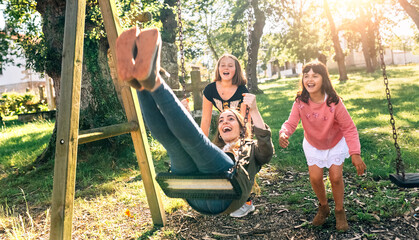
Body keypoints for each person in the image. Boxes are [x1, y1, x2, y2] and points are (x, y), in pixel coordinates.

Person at [115, 27, 273, 215]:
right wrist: (185, 116)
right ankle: (139, 83)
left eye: (231, 118)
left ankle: (152, 79)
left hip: (227, 196)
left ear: (241, 127)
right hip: (196, 195)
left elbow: (267, 147)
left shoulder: (252, 149)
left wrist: (253, 110)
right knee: (173, 144)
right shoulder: (217, 147)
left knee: (195, 143)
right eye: (221, 120)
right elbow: (195, 137)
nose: (224, 123)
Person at [278, 61, 366, 231]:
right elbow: (291, 122)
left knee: (335, 177)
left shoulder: (333, 102)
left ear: (323, 79)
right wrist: (284, 133)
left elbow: (349, 127)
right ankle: (324, 206)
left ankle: (340, 210)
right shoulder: (300, 102)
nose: (309, 79)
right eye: (306, 76)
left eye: (315, 76)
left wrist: (355, 153)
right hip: (313, 144)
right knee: (316, 178)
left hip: (335, 143)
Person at [201, 53, 249, 137]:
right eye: (222, 65)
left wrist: (245, 142)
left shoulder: (242, 91)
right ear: (218, 69)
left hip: (241, 127)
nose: (226, 68)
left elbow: (245, 121)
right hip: (225, 126)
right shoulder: (210, 90)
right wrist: (201, 143)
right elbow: (205, 120)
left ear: (236, 69)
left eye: (230, 66)